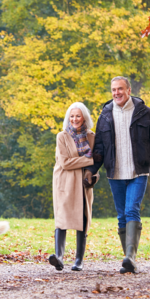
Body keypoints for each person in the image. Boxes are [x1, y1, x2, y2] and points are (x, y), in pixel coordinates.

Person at [84, 77, 150, 274]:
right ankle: (128, 260)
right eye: (113, 90)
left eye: (120, 89)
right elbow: (100, 148)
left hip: (139, 171)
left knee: (131, 210)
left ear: (128, 90)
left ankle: (131, 257)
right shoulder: (106, 115)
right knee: (121, 216)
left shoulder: (144, 113)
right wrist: (92, 171)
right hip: (115, 172)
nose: (116, 93)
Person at [50, 102, 101, 272]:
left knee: (83, 218)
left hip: (83, 183)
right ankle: (59, 257)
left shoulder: (92, 137)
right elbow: (65, 163)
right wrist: (90, 159)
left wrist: (93, 175)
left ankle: (79, 260)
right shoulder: (62, 136)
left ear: (84, 117)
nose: (75, 119)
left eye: (78, 116)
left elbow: (97, 165)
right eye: (72, 116)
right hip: (64, 181)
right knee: (62, 219)